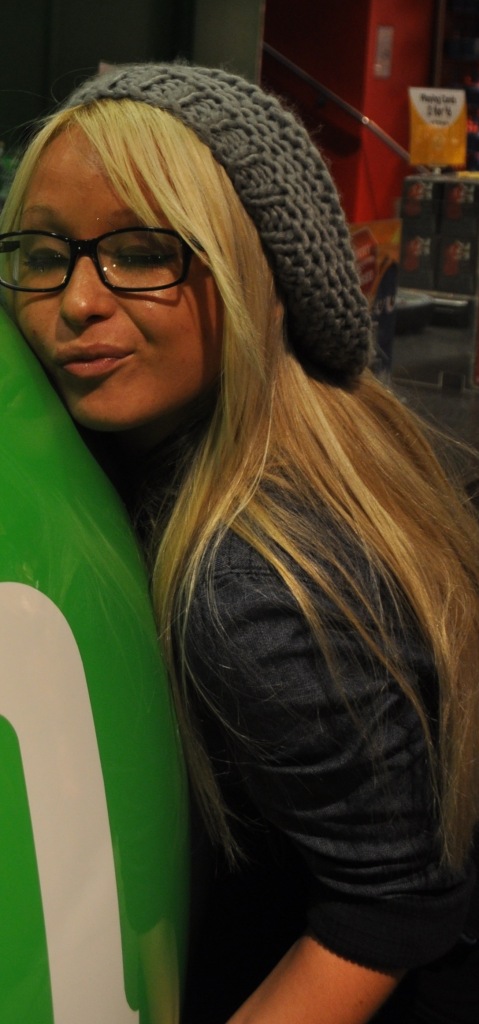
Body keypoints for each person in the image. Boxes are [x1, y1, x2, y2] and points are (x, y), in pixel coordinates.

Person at [1, 62, 479, 1024]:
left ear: (256, 273)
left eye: (142, 252)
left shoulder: (246, 578)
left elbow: (391, 907)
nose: (79, 300)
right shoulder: (248, 452)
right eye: (43, 254)